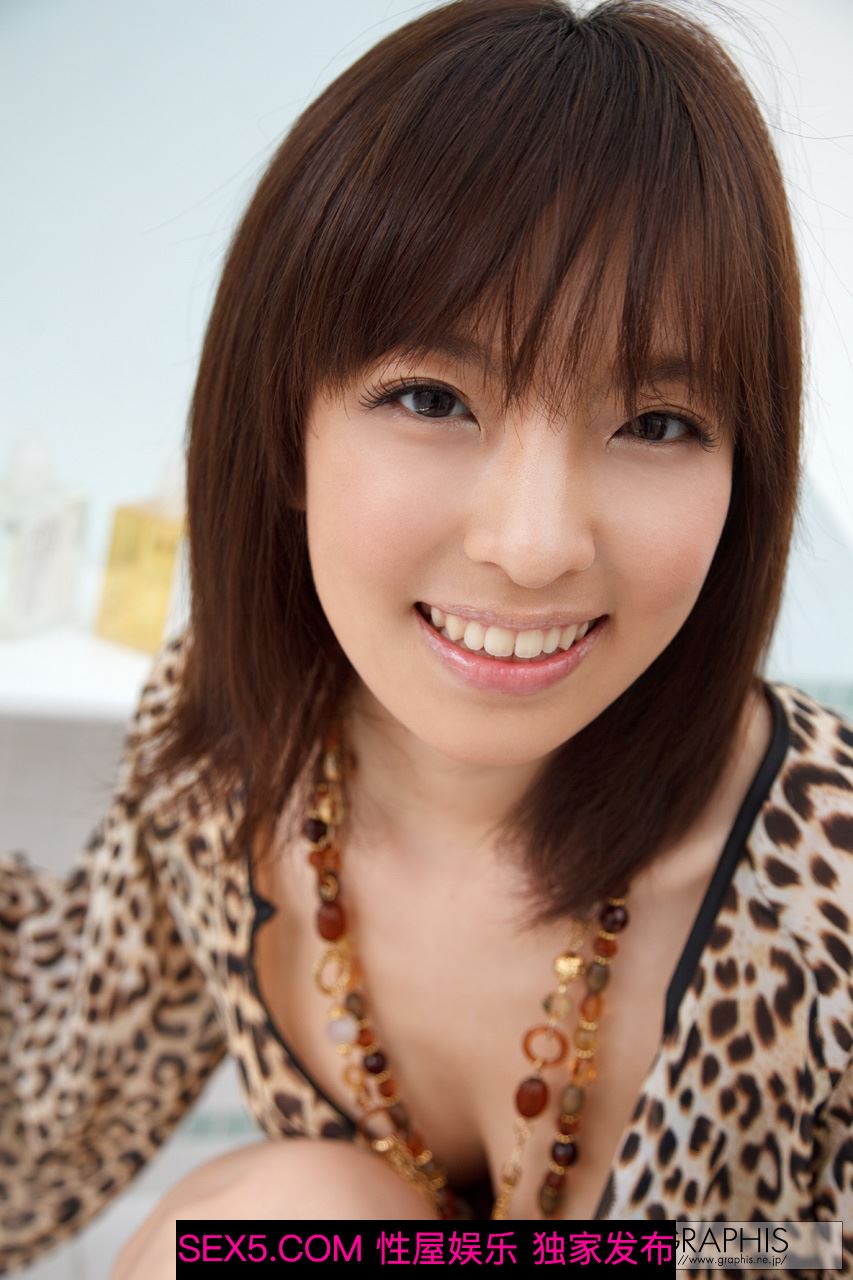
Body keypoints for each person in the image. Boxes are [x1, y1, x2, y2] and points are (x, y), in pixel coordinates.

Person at [2, 0, 851, 1275]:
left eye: (657, 422)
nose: (533, 542)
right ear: (284, 428)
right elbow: (50, 1090)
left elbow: (806, 1247)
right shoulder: (243, 750)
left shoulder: (821, 883)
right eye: (431, 396)